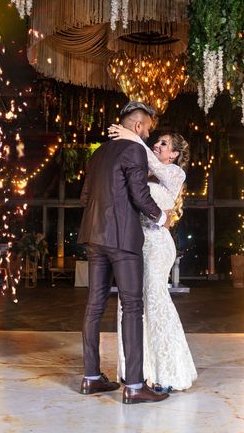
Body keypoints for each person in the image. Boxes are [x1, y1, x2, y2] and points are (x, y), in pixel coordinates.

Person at [77, 101, 172, 405]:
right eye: (147, 128)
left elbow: (85, 198)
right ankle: (133, 385)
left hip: (93, 237)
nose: (147, 134)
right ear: (138, 125)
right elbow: (139, 195)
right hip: (121, 240)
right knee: (132, 307)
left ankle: (91, 378)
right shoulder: (134, 151)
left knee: (94, 306)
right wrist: (161, 218)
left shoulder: (97, 154)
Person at [109, 124, 197, 392]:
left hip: (157, 245)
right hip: (136, 244)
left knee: (156, 301)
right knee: (132, 305)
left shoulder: (174, 173)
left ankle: (168, 371)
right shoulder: (144, 174)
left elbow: (149, 160)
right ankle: (137, 371)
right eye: (156, 142)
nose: (157, 146)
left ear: (173, 155)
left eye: (163, 144)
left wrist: (133, 138)